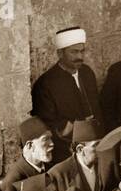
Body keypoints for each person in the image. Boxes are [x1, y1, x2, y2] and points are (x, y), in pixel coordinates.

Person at [31, 26, 102, 158]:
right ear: (60, 54)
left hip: (94, 145)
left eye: (82, 51)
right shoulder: (45, 84)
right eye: (74, 52)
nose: (80, 57)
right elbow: (48, 125)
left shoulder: (87, 73)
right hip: (66, 150)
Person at [1, 117, 56, 191]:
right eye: (45, 139)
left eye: (51, 138)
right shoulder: (13, 179)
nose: (52, 143)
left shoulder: (51, 168)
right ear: (30, 145)